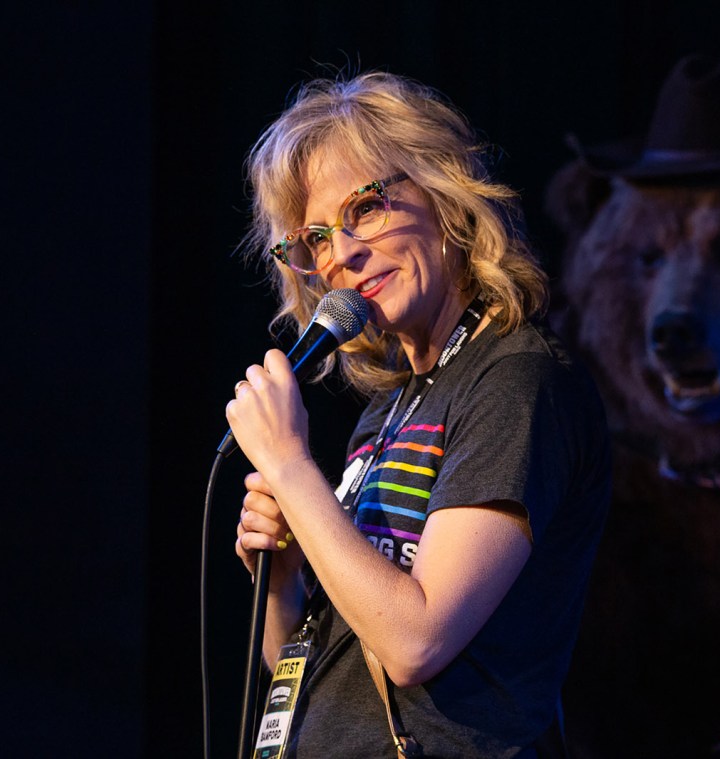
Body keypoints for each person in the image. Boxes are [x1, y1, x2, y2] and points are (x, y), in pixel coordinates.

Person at [225, 71, 611, 758]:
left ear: (443, 192)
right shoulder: (388, 410)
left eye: (364, 208)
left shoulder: (516, 380)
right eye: (313, 239)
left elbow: (414, 639)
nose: (341, 253)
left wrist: (290, 467)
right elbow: (322, 672)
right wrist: (281, 580)